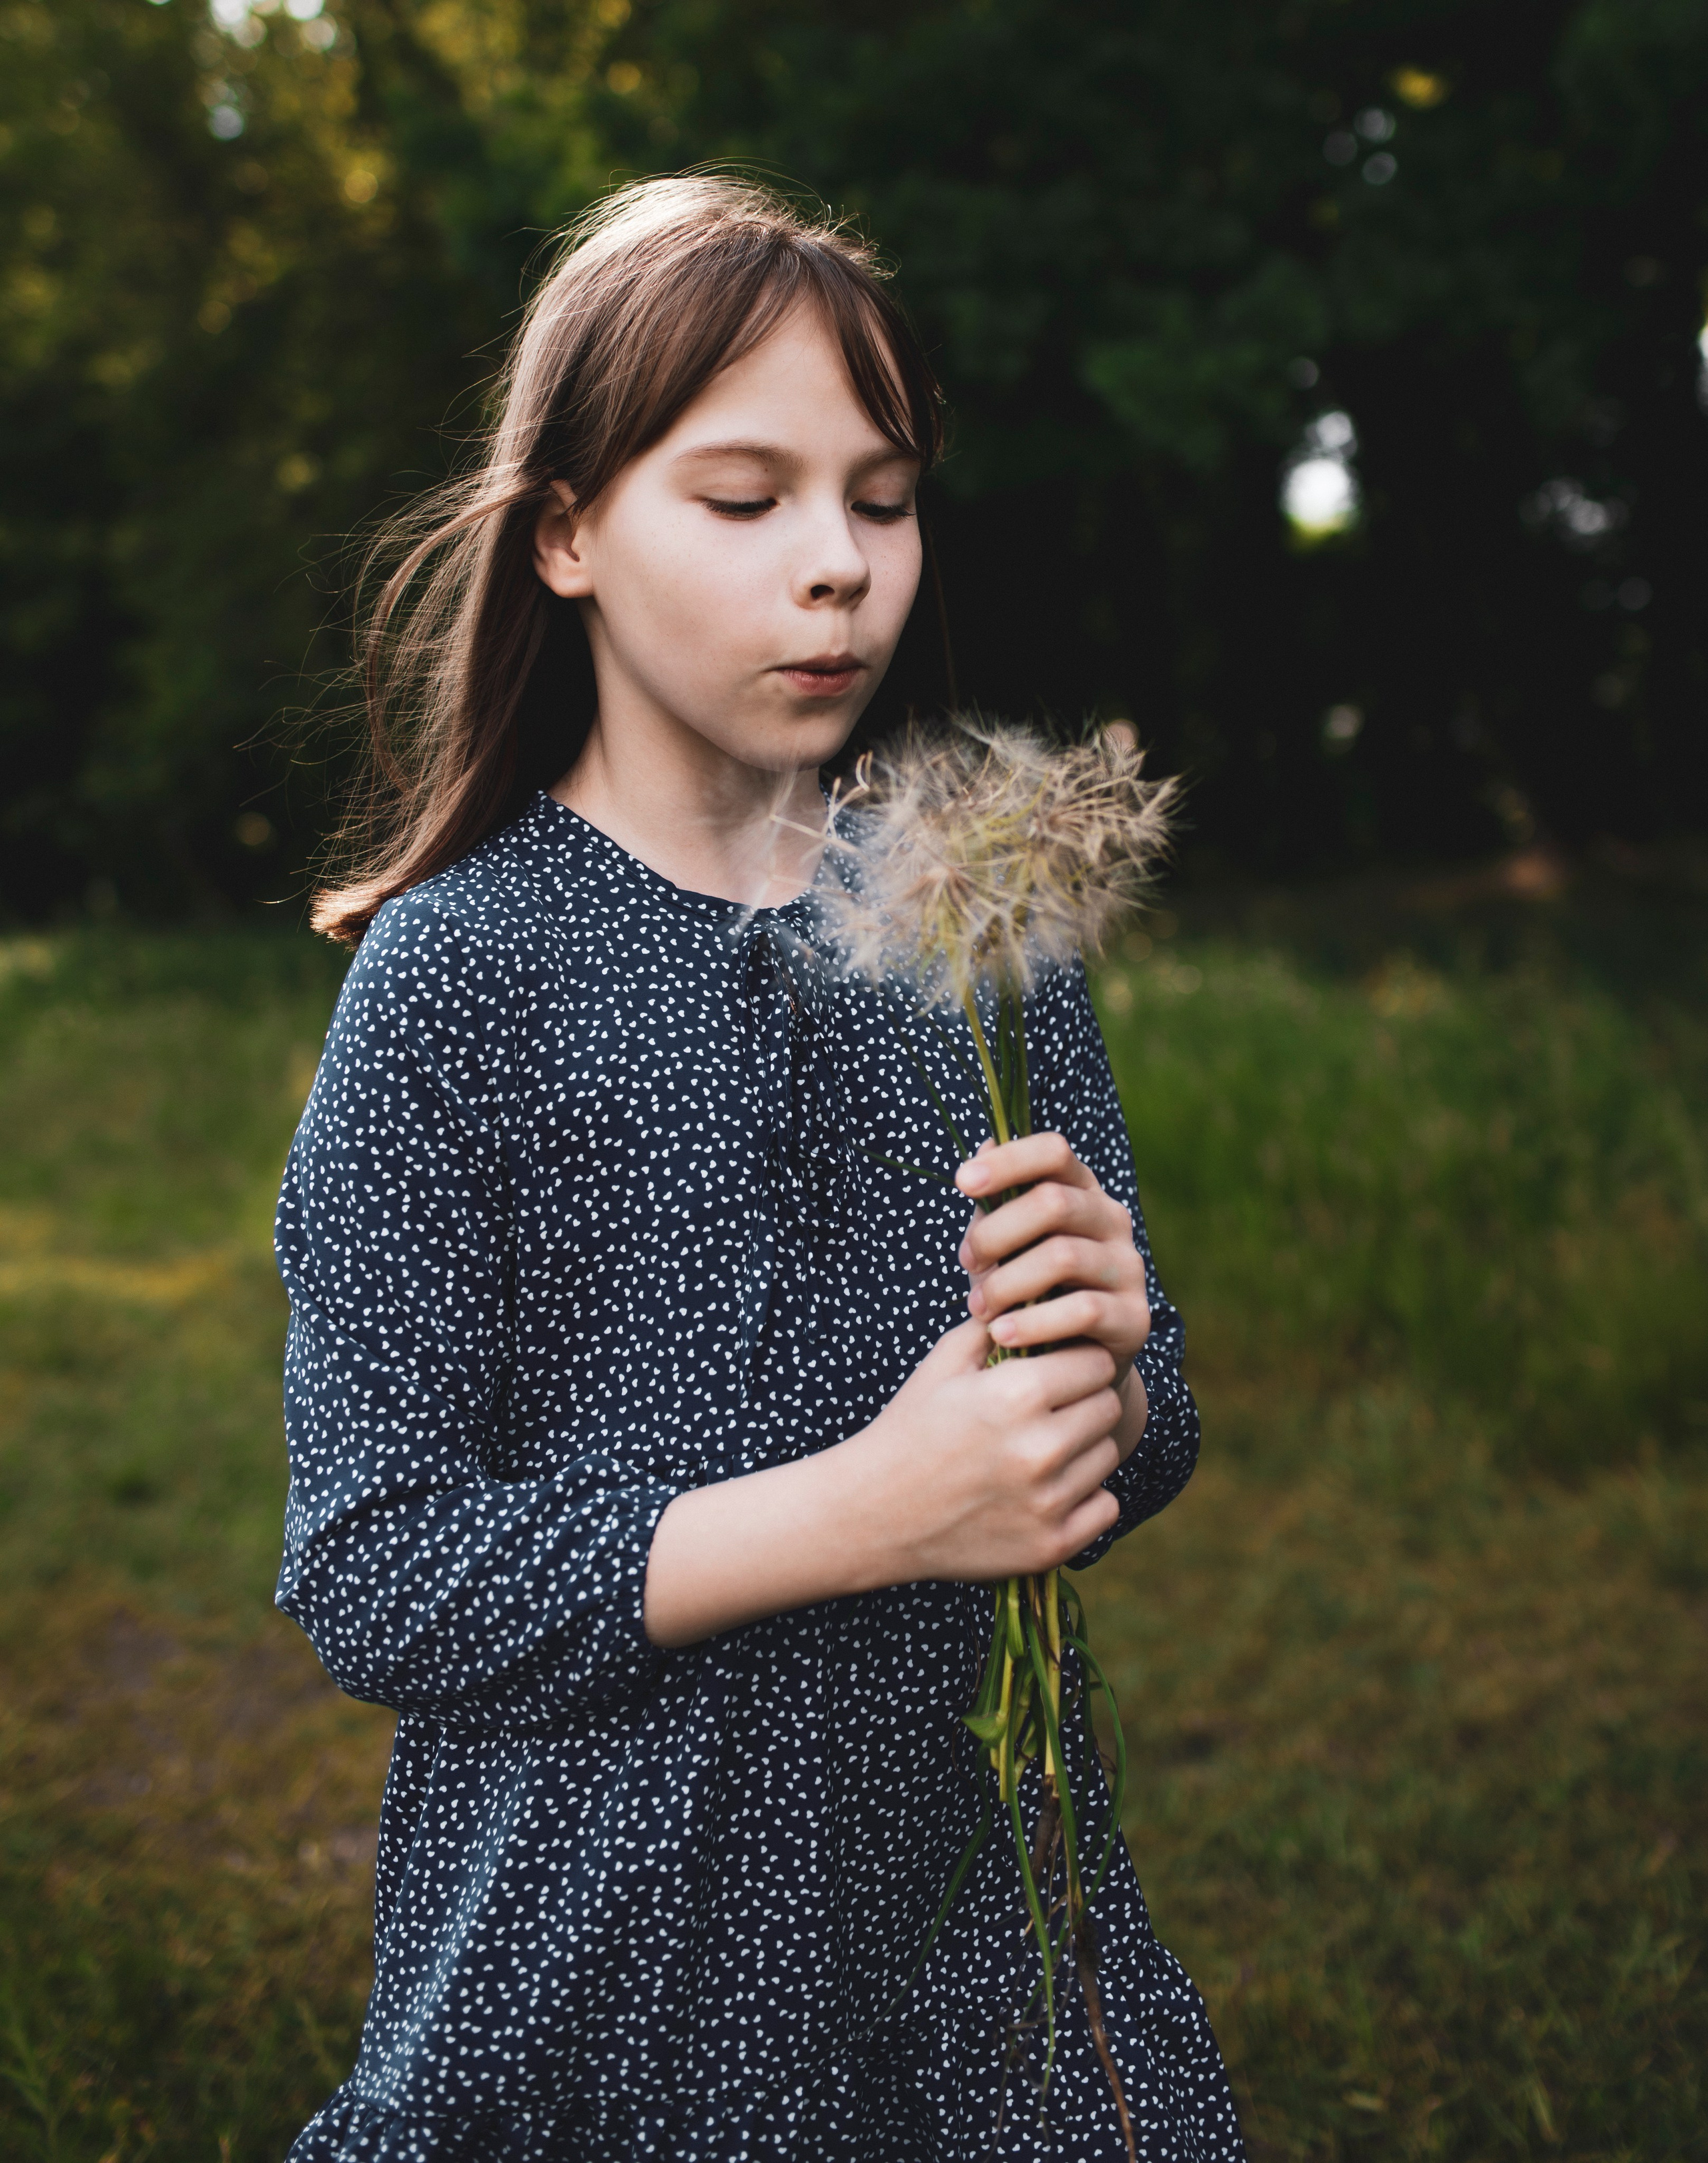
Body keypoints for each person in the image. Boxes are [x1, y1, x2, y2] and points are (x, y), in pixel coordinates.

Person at [277, 173, 1243, 2162]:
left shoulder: (971, 921)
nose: (841, 569)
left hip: (978, 1934)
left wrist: (1119, 1377)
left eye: (880, 500)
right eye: (747, 500)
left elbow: (1129, 1451)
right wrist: (869, 1509)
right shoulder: (458, 975)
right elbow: (375, 1569)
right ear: (567, 532)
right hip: (607, 1965)